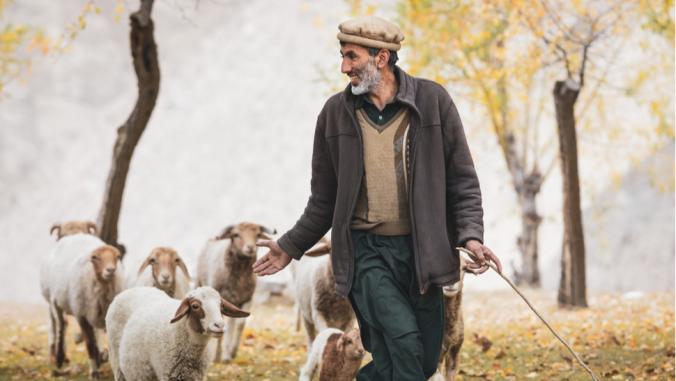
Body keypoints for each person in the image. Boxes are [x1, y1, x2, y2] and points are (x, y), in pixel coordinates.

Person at [253, 15, 502, 380]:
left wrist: (471, 236)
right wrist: (290, 246)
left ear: (381, 58)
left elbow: (462, 181)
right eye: (343, 57)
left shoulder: (433, 102)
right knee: (405, 341)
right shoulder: (335, 115)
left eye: (352, 57)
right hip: (365, 253)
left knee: (418, 361)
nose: (344, 68)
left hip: (424, 253)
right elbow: (323, 200)